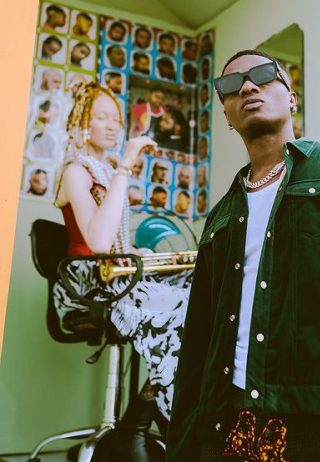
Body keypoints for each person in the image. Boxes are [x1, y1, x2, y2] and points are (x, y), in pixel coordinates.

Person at [166, 49, 320, 462]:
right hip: (221, 433)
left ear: (292, 97)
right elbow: (197, 344)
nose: (247, 87)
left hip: (316, 435)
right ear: (226, 115)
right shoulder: (220, 216)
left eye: (262, 75)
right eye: (230, 85)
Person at [53, 82, 192, 462]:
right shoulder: (75, 172)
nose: (113, 125)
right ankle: (155, 420)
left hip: (113, 275)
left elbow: (114, 244)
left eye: (116, 118)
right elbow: (98, 242)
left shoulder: (104, 170)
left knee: (198, 289)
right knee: (178, 307)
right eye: (102, 117)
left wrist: (135, 252)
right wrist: (126, 167)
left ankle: (142, 419)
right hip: (89, 285)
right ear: (82, 123)